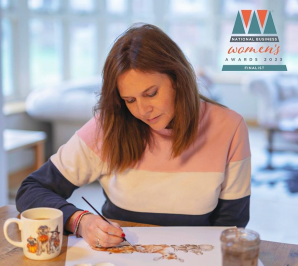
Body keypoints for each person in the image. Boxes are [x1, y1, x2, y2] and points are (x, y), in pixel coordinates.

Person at [16, 23, 251, 249]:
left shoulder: (229, 126)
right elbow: (31, 189)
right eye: (130, 100)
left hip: (196, 260)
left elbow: (231, 223)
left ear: (178, 80)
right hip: (118, 260)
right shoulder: (109, 126)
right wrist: (81, 222)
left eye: (151, 93)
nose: (142, 110)